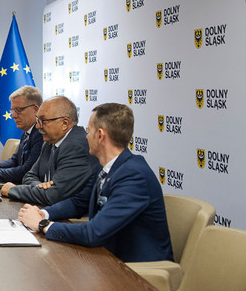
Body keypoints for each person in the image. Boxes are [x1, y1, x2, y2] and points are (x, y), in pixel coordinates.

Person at [18, 103, 173, 262]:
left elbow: (94, 232)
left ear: (100, 135)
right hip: (106, 257)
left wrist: (43, 225)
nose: (86, 136)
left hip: (137, 272)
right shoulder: (107, 167)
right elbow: (80, 202)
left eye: (89, 130)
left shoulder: (134, 175)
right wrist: (44, 213)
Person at [0, 95, 96, 205]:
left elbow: (53, 195)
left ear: (64, 123)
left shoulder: (76, 146)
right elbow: (29, 175)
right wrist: (40, 186)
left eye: (43, 121)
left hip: (70, 218)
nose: (37, 126)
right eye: (38, 120)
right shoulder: (50, 142)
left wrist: (13, 190)